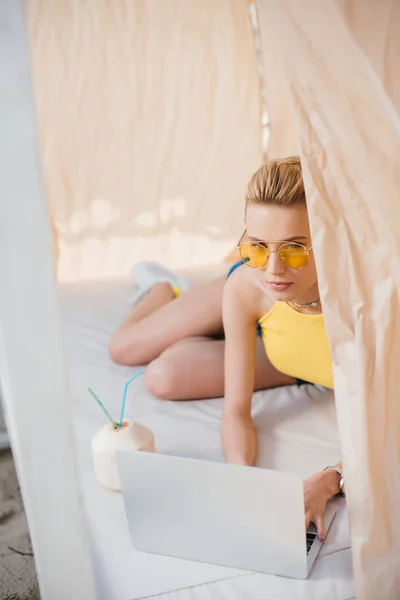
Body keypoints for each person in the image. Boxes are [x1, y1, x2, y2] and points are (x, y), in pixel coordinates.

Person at [109, 156, 344, 540]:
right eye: (256, 247)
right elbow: (236, 410)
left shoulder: (368, 307)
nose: (272, 269)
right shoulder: (250, 285)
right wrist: (243, 480)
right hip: (260, 312)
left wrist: (329, 479)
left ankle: (203, 327)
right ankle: (162, 288)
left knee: (164, 376)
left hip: (292, 360)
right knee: (125, 350)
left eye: (294, 250)